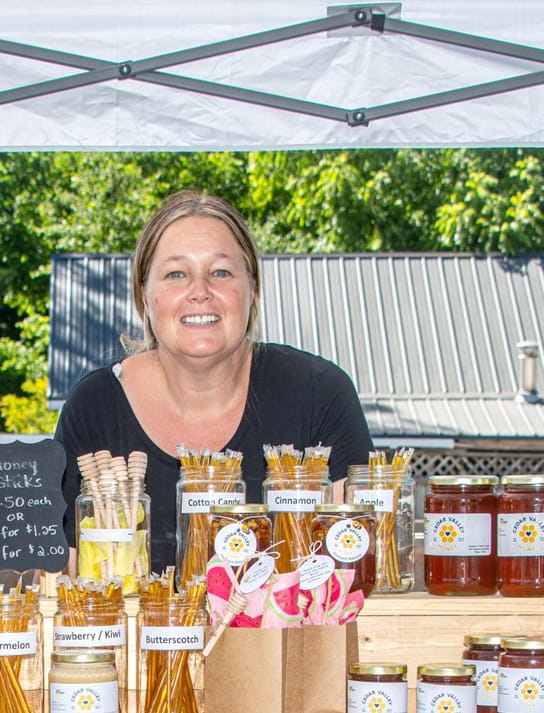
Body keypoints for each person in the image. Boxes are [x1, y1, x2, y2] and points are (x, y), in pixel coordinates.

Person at [55, 189, 374, 571]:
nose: (200, 292)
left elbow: (355, 562)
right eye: (176, 274)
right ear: (144, 295)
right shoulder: (95, 407)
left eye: (221, 272)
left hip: (290, 633)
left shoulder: (319, 394)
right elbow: (62, 575)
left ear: (252, 290)